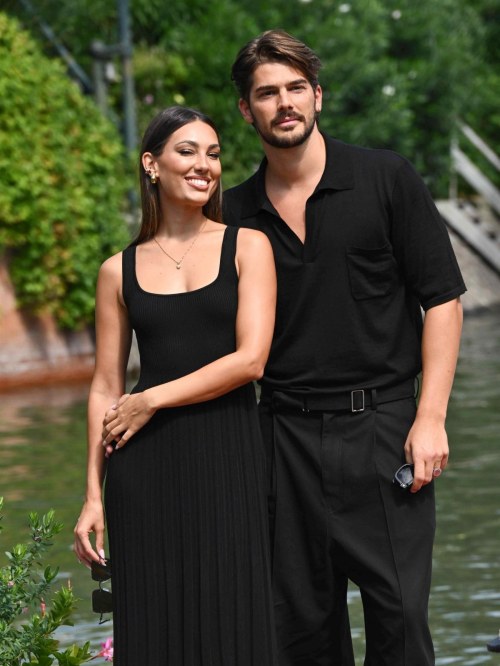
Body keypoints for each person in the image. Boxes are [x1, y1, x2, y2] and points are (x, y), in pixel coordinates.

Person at [223, 30, 466, 666]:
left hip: (384, 429)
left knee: (401, 621)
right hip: (280, 440)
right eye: (267, 93)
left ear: (318, 97)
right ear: (247, 112)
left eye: (295, 88)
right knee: (297, 631)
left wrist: (431, 417)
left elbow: (441, 300)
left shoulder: (386, 179)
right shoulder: (232, 216)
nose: (284, 103)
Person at [73, 106, 278, 666]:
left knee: (235, 625)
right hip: (142, 475)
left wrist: (152, 399)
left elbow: (250, 361)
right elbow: (103, 387)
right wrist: (93, 495)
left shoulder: (248, 246)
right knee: (154, 633)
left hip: (228, 460)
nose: (204, 165)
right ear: (151, 165)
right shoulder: (118, 270)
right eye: (187, 151)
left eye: (213, 154)